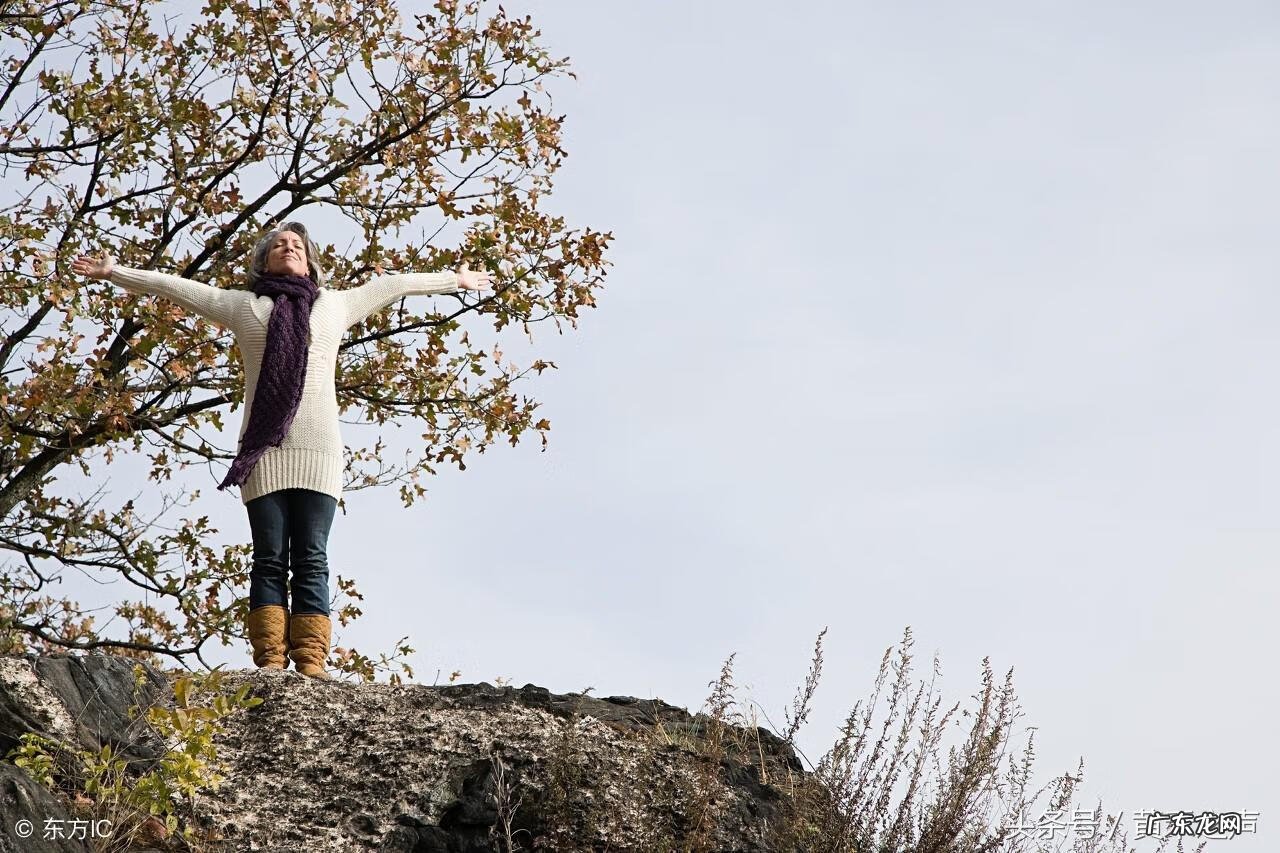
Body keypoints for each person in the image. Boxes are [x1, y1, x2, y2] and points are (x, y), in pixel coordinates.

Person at [71, 223, 493, 677]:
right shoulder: (244, 307)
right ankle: (270, 661)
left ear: (310, 260)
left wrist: (456, 281)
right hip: (263, 451)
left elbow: (394, 285)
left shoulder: (335, 305)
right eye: (279, 245)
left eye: (296, 245)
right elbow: (178, 288)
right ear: (264, 261)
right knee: (269, 557)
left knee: (311, 556)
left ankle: (311, 661)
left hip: (319, 451)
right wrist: (115, 272)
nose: (288, 249)